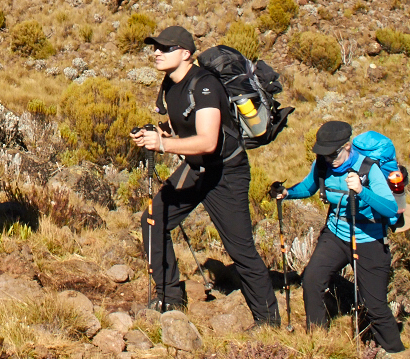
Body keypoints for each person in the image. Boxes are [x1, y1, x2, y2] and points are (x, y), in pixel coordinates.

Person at [131, 25, 280, 325]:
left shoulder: (205, 86)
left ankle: (268, 322)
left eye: (165, 48)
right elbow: (185, 126)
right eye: (155, 47)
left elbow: (209, 141)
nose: (157, 53)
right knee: (153, 221)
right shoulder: (170, 84)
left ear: (186, 54)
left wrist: (163, 145)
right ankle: (169, 298)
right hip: (195, 168)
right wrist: (159, 133)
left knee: (240, 249)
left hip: (225, 173)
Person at [273, 121, 404, 353]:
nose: (329, 159)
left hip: (369, 239)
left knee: (375, 306)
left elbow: (390, 208)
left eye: (333, 154)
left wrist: (362, 191)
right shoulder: (323, 164)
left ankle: (395, 350)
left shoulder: (368, 168)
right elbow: (309, 187)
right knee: (312, 280)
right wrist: (287, 193)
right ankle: (317, 342)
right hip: (335, 234)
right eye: (324, 154)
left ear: (347, 146)